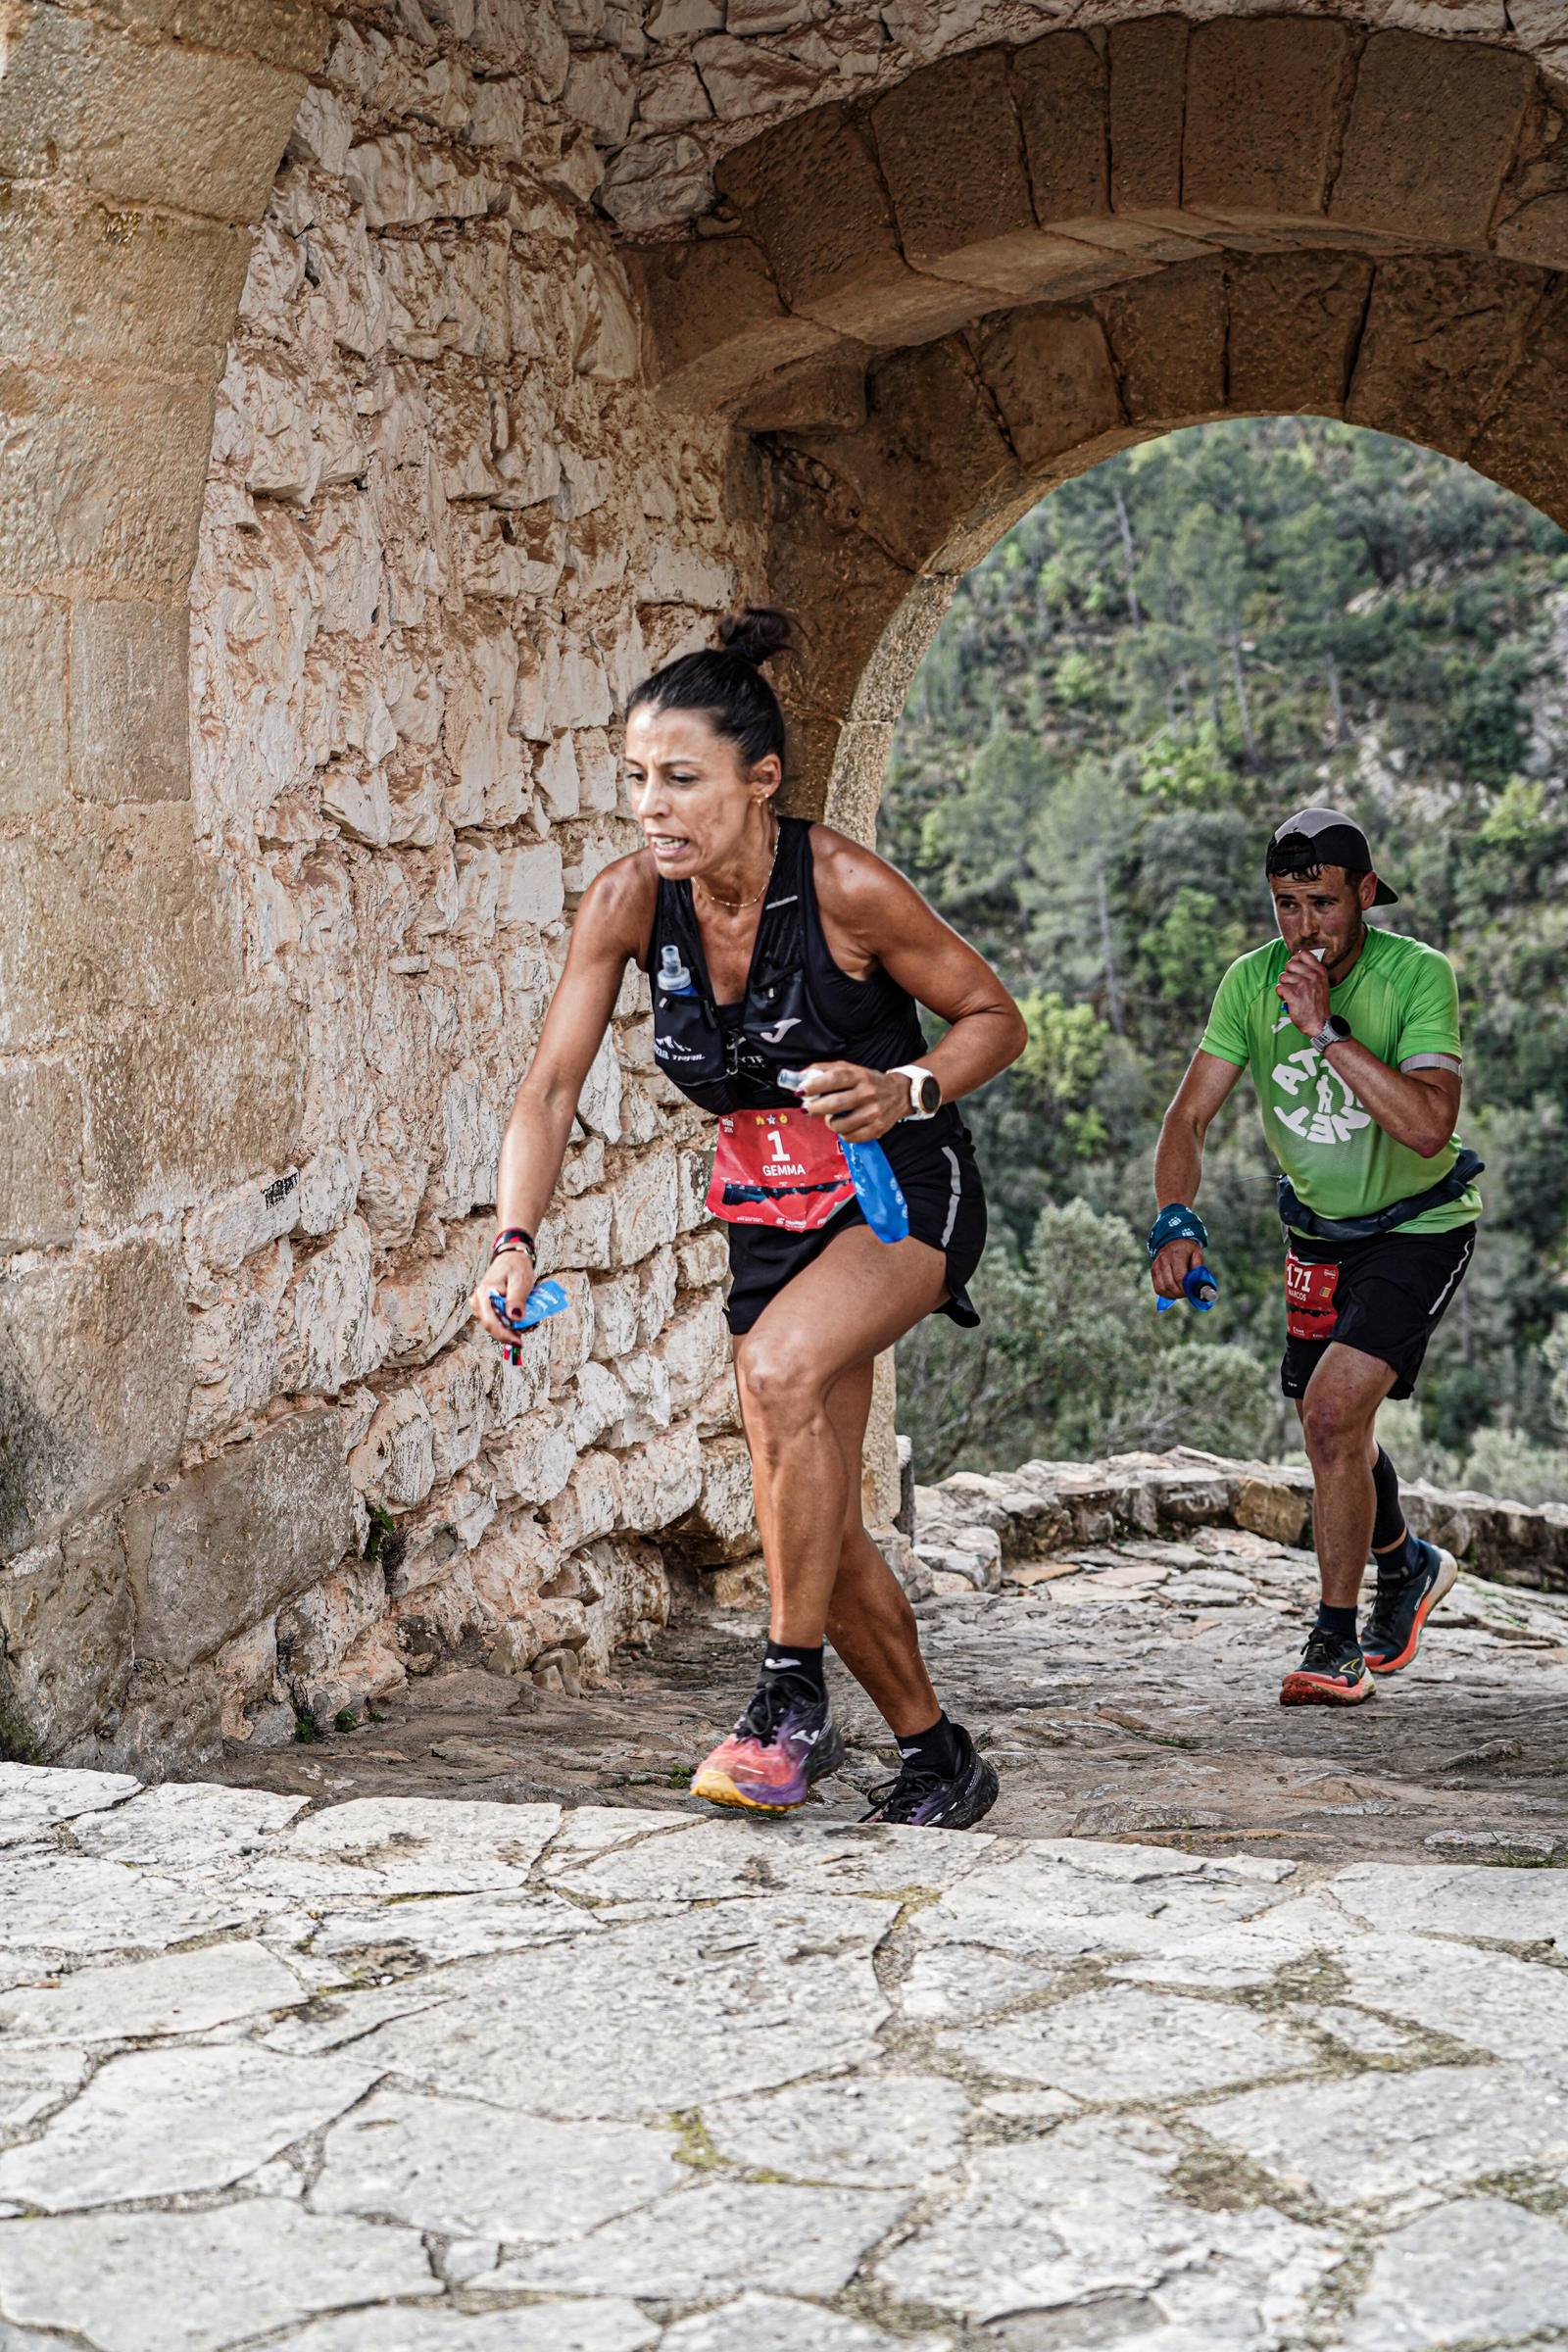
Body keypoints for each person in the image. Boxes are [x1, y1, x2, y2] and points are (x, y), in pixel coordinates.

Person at [472, 607, 1027, 1825]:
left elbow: (995, 1018)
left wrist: (905, 1085)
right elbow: (549, 1089)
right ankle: (938, 1759)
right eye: (635, 779)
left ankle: (785, 1697)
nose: (651, 807)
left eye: (681, 779)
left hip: (896, 1192)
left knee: (775, 1377)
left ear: (760, 780)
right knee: (813, 1513)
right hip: (770, 1214)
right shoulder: (628, 902)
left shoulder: (845, 889)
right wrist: (514, 1239)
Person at [1151, 806, 1481, 1706]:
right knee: (1329, 1422)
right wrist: (1175, 1217)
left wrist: (1325, 1030)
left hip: (1420, 1226)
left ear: (1365, 893)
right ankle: (1405, 1564)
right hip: (1320, 1236)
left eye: (1323, 903)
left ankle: (1337, 1643)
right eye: (1286, 904)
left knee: (1333, 1415)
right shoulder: (1248, 982)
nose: (1304, 928)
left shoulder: (1417, 974)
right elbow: (1188, 1116)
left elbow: (1427, 1126)